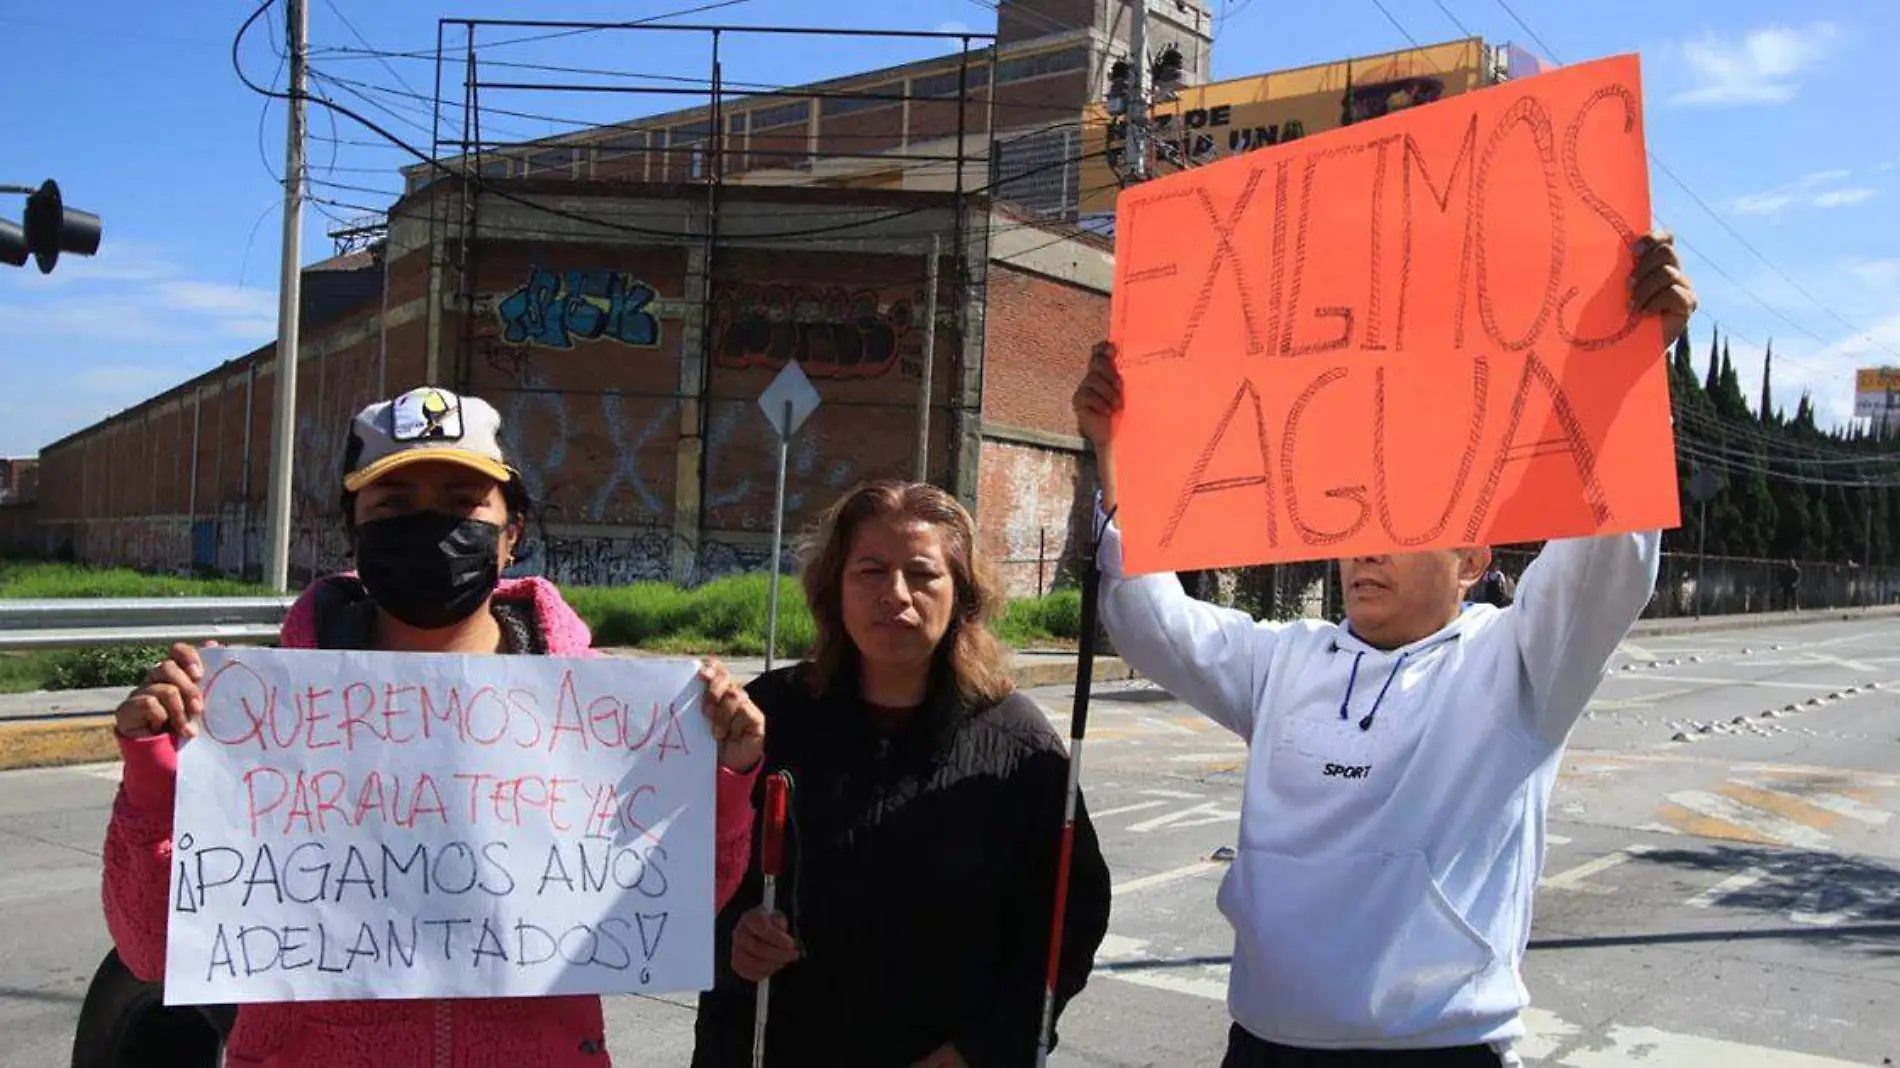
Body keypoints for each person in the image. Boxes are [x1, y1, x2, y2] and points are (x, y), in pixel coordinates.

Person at [1070, 232, 1697, 1066]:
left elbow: (1607, 561)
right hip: (1267, 1044)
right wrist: (1111, 449)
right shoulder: (1283, 660)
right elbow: (1153, 624)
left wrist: (1635, 363)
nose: (1366, 549)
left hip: (1445, 1045)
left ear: (1473, 562)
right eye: (1357, 525)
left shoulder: (1518, 667)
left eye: (1400, 529)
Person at [101, 386, 766, 1067]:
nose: (430, 528)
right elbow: (149, 946)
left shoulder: (600, 713)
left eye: (461, 503)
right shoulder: (252, 719)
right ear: (356, 532)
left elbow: (671, 911)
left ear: (512, 534)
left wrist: (722, 780)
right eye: (394, 506)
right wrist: (154, 777)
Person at [691, 480, 1113, 1068]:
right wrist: (734, 935)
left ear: (960, 593)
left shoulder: (1021, 747)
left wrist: (981, 1049)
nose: (896, 594)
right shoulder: (765, 721)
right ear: (834, 587)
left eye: (922, 573)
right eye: (870, 571)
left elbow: (1068, 921)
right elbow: (683, 870)